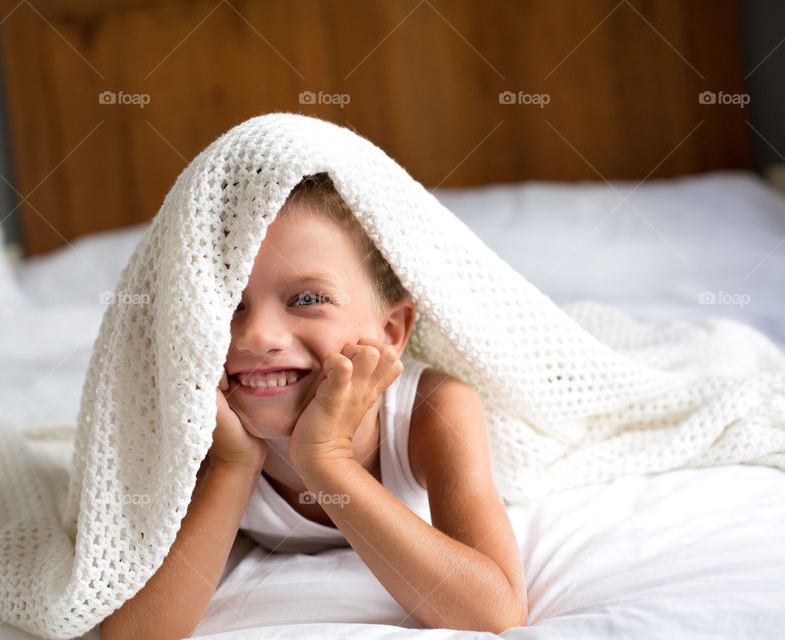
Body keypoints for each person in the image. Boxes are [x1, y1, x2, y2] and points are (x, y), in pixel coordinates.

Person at [100, 173, 527, 640]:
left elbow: (496, 614)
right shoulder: (203, 423)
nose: (257, 335)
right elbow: (134, 635)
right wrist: (233, 462)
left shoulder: (432, 411)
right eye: (228, 303)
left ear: (390, 332)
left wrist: (327, 458)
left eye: (306, 299)